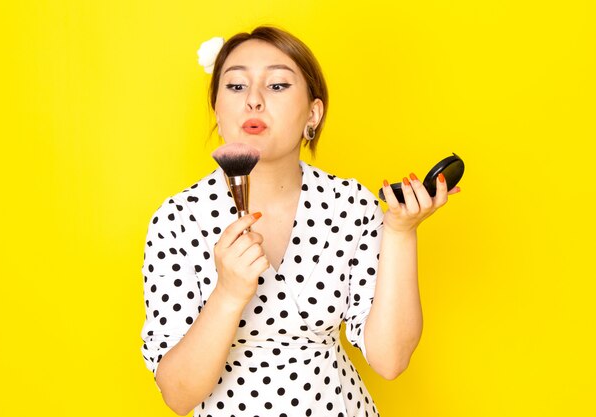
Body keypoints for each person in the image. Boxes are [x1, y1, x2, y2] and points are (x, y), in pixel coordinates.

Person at [140, 26, 460, 417]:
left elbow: (390, 360)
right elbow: (177, 395)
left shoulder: (350, 204)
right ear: (217, 111)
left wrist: (400, 232)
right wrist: (227, 293)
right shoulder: (179, 220)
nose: (253, 101)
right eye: (236, 86)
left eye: (277, 86)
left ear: (313, 113)